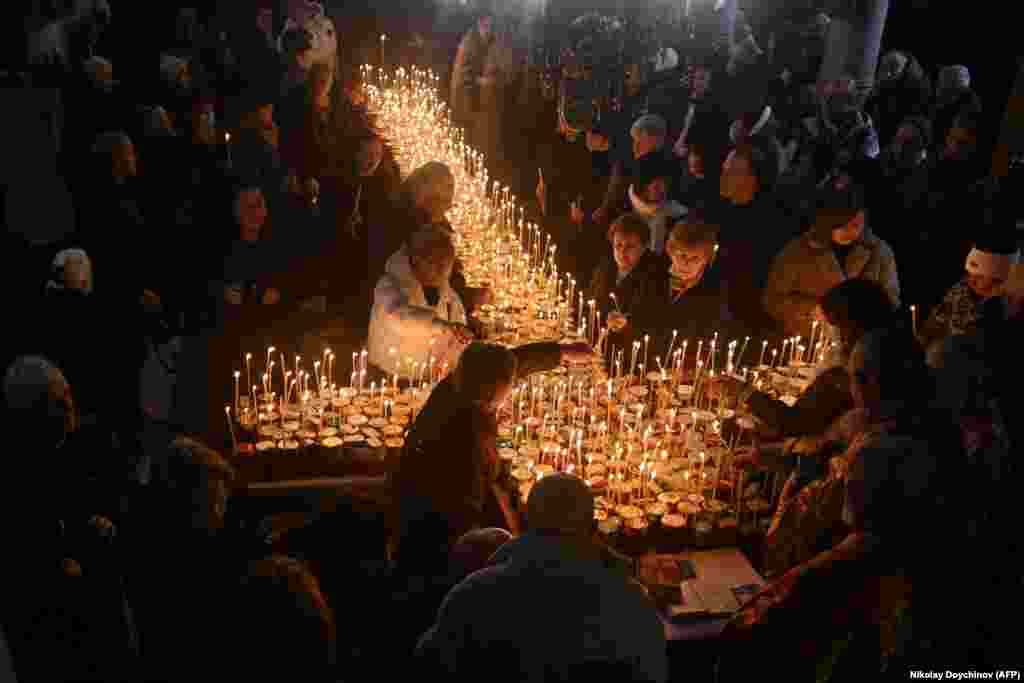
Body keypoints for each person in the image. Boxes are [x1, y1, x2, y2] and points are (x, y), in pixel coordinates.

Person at [719, 327, 961, 679]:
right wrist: (768, 456)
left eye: (855, 378)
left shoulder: (882, 453)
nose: (851, 388)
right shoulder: (910, 422)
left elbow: (863, 544)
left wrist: (786, 587)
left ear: (869, 383)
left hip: (858, 604)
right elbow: (821, 444)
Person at [415, 473, 668, 683]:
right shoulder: (632, 607)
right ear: (593, 532)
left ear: (523, 523)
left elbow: (429, 663)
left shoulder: (473, 595)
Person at [2, 356, 138, 683]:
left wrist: (88, 521)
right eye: (58, 403)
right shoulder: (16, 469)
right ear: (32, 413)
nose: (70, 409)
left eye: (69, 397)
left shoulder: (71, 449)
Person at [763, 173, 899, 338]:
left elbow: (891, 301)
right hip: (810, 347)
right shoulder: (797, 252)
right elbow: (772, 300)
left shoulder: (879, 252)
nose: (851, 228)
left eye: (856, 222)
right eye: (842, 222)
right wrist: (812, 309)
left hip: (862, 347)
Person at [367, 225, 472, 378]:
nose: (443, 271)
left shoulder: (443, 287)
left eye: (447, 265)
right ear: (417, 259)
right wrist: (442, 326)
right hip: (392, 374)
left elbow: (456, 318)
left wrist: (461, 336)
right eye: (437, 264)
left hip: (430, 375)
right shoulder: (390, 285)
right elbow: (398, 316)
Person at [630, 215, 732, 362]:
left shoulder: (714, 292)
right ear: (670, 251)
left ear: (706, 260)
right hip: (646, 363)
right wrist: (624, 323)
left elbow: (714, 342)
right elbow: (638, 316)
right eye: (682, 255)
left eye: (695, 258)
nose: (686, 263)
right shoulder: (654, 276)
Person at [917, 234, 1018, 362]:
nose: (972, 280)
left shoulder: (1006, 309)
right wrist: (923, 338)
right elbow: (936, 321)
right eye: (970, 273)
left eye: (980, 276)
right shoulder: (960, 292)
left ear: (1000, 279)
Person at [588, 214, 670, 364]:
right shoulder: (605, 267)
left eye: (630, 246)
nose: (622, 252)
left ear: (644, 247)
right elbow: (592, 301)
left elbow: (653, 320)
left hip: (630, 358)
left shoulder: (655, 275)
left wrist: (627, 323)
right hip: (597, 349)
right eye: (618, 245)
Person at [594, 113, 671, 227]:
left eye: (640, 141)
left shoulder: (668, 167)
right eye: (634, 141)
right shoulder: (627, 163)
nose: (635, 148)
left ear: (657, 140)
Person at [626, 152, 688, 255]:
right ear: (643, 188)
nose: (663, 191)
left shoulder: (677, 212)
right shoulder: (625, 210)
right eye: (657, 187)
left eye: (665, 185)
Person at [931, 65, 981, 158]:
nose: (938, 90)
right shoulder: (947, 99)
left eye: (944, 89)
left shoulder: (967, 112)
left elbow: (953, 148)